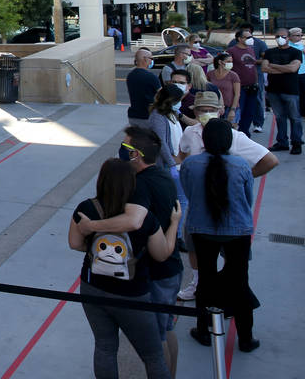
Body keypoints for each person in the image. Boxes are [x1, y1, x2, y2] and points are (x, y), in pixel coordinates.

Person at [75, 127, 184, 376]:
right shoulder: (163, 175)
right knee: (165, 332)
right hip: (170, 268)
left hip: (156, 273)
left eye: (125, 147)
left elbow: (134, 221)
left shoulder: (139, 186)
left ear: (136, 154)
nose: (121, 151)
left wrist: (91, 227)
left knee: (155, 346)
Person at [180, 119, 260, 352]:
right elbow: (247, 199)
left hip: (201, 229)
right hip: (237, 231)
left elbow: (189, 193)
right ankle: (246, 337)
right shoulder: (241, 165)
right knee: (240, 281)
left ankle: (204, 330)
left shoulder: (191, 164)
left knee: (205, 280)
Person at [260, 27, 302, 154]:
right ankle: (282, 142)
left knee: (295, 118)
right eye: (278, 36)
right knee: (279, 117)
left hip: (290, 90)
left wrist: (273, 65)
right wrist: (284, 68)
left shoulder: (296, 52)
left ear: (288, 38)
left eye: (283, 36)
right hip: (273, 90)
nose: (280, 39)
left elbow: (293, 69)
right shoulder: (269, 52)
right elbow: (264, 68)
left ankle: (296, 143)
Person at [225, 27, 262, 134]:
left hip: (252, 85)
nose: (251, 39)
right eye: (247, 37)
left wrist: (256, 82)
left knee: (249, 112)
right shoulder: (231, 51)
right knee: (238, 110)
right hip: (239, 86)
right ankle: (237, 132)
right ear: (240, 39)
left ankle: (245, 132)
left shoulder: (250, 49)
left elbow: (253, 66)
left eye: (251, 36)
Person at [147, 86, 188, 170]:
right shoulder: (157, 117)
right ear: (170, 101)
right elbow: (161, 142)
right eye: (178, 100)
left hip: (177, 162)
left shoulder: (172, 113)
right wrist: (171, 164)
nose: (180, 103)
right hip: (167, 164)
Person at [126, 49, 161, 124]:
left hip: (133, 115)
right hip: (147, 116)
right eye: (151, 58)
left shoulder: (130, 75)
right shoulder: (151, 77)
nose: (152, 61)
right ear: (145, 59)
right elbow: (162, 94)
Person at [206, 53, 241, 126]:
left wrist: (233, 110)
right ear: (220, 62)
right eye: (228, 61)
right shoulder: (210, 74)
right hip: (215, 107)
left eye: (231, 62)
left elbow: (237, 94)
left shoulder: (233, 75)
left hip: (230, 107)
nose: (230, 63)